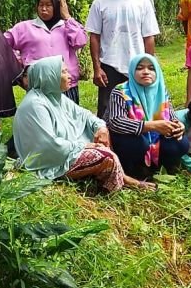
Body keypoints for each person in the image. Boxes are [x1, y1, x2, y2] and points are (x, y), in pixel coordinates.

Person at [13, 56, 153, 192]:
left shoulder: (55, 97)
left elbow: (85, 115)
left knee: (102, 135)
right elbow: (49, 146)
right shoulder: (35, 105)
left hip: (66, 150)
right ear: (49, 76)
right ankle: (116, 188)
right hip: (47, 162)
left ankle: (122, 179)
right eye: (63, 72)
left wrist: (101, 128)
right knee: (106, 157)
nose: (70, 76)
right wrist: (84, 145)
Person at [86, 0, 160, 117]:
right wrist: (97, 68)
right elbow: (94, 37)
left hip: (137, 66)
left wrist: (150, 66)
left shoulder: (143, 3)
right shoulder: (100, 3)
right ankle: (107, 143)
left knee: (139, 109)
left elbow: (149, 37)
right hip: (109, 66)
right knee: (107, 113)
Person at [105, 54, 188, 179]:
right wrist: (151, 126)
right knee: (139, 144)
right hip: (127, 136)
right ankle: (133, 171)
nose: (146, 72)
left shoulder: (161, 90)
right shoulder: (120, 91)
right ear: (132, 71)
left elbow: (170, 116)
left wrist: (178, 125)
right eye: (140, 68)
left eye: (151, 68)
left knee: (181, 143)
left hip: (155, 136)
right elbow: (115, 122)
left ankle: (161, 168)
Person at [5, 0, 87, 103]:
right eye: (41, 5)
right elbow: (3, 44)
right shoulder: (24, 27)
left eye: (49, 5)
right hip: (39, 86)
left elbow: (80, 41)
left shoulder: (67, 26)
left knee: (68, 119)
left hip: (66, 86)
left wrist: (67, 17)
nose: (44, 9)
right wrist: (19, 65)